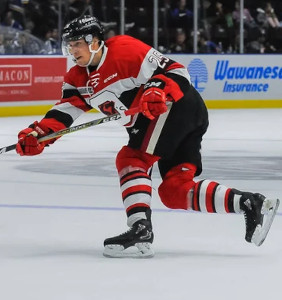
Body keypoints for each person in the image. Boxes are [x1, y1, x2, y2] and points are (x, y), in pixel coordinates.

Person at [16, 15, 280, 258]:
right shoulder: (76, 79)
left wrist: (157, 91)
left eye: (76, 44)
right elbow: (62, 115)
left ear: (94, 41)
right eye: (69, 45)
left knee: (132, 158)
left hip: (176, 107)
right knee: (174, 190)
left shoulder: (124, 50)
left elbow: (177, 72)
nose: (72, 51)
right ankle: (249, 202)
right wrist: (38, 135)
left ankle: (140, 231)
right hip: (174, 118)